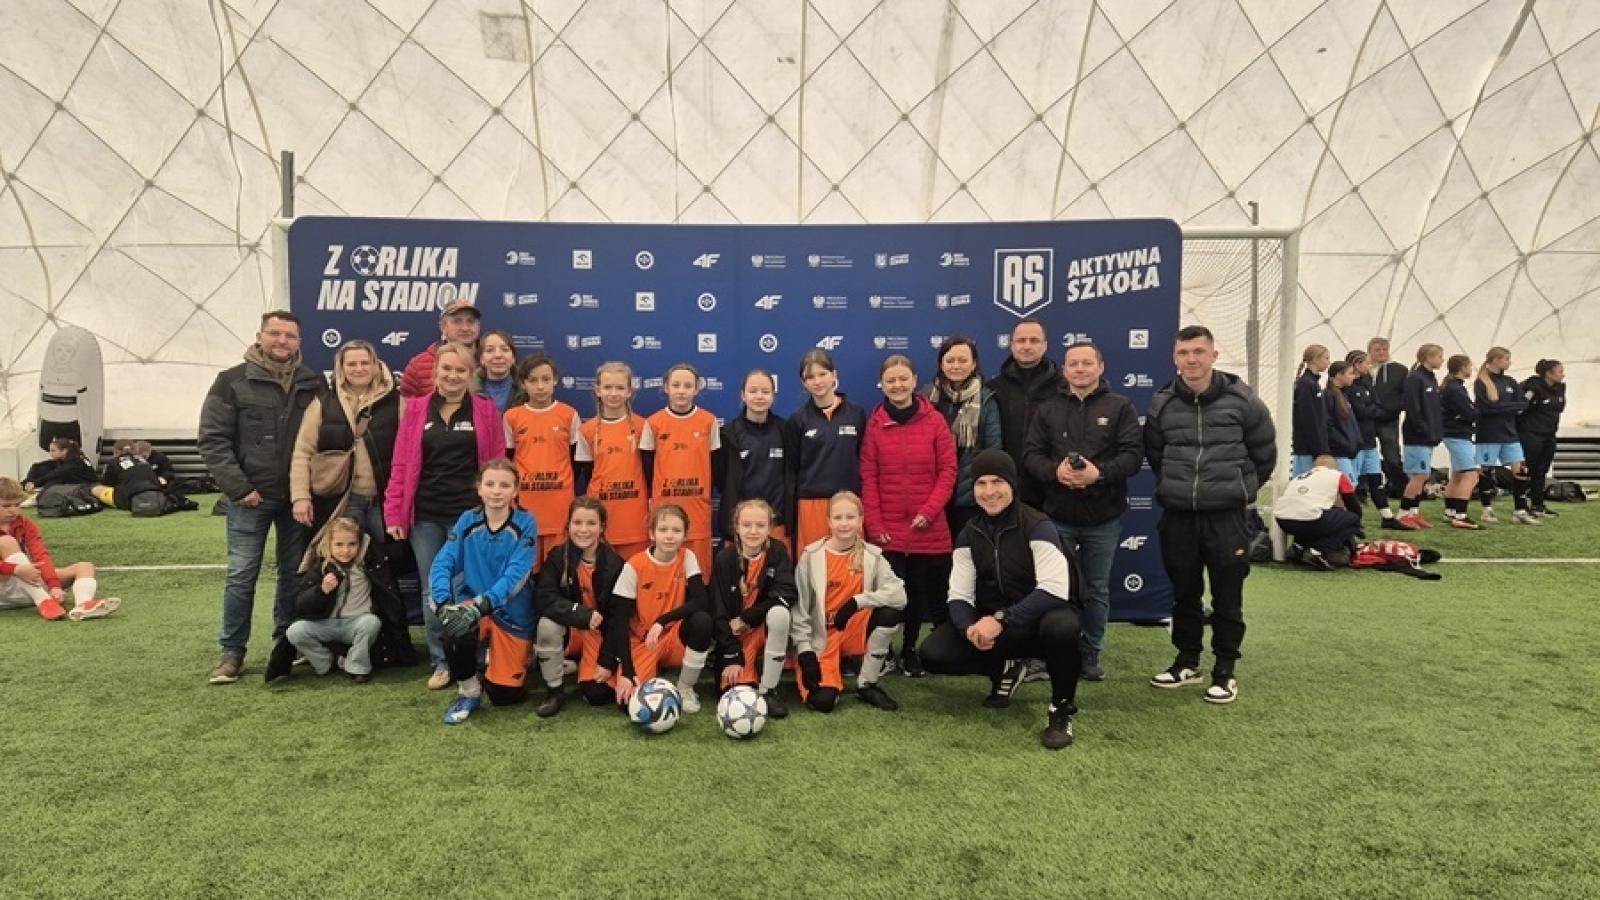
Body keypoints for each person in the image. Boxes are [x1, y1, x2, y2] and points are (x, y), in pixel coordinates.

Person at [1143, 326, 1275, 705]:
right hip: (1179, 516)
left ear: (1214, 356)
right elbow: (1156, 454)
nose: (1192, 359)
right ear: (1175, 357)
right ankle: (1187, 662)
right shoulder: (1162, 403)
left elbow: (1264, 454)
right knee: (1184, 593)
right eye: (1184, 352)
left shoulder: (1244, 401)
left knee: (1227, 594)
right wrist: (1181, 489)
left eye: (1199, 352)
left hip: (1226, 518)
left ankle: (1225, 670)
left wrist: (1236, 489)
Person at [917, 450, 1082, 750]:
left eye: (997, 482)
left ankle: (1061, 710)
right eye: (981, 483)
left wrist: (1001, 620)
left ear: (1012, 485)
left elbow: (1054, 590)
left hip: (1037, 622)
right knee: (933, 653)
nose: (989, 491)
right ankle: (1004, 669)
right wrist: (969, 628)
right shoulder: (969, 533)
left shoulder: (1038, 525)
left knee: (1063, 627)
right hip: (1000, 627)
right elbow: (959, 596)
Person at [198, 310, 322, 684]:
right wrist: (239, 488)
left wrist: (308, 490)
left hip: (297, 498)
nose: (282, 341)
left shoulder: (313, 381)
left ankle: (286, 645)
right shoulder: (231, 381)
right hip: (249, 498)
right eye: (275, 334)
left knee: (293, 575)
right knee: (241, 575)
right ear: (259, 336)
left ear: (299, 342)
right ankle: (231, 653)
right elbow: (213, 440)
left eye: (289, 335)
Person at [384, 341, 508, 691]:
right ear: (436, 372)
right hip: (425, 515)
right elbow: (400, 463)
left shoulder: (485, 410)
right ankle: (441, 661)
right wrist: (394, 512)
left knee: (469, 586)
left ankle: (472, 658)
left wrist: (496, 508)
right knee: (433, 587)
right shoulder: (416, 409)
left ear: (471, 374)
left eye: (460, 370)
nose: (453, 376)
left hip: (469, 515)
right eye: (447, 369)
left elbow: (497, 462)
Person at [1021, 341, 1141, 683]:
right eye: (1073, 363)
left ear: (1100, 367)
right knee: (1049, 585)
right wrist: (1055, 472)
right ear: (1064, 370)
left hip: (1104, 517)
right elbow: (1031, 455)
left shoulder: (1120, 407)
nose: (1080, 369)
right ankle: (1047, 655)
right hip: (1056, 516)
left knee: (1097, 588)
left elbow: (1133, 456)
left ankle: (1090, 653)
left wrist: (1098, 474)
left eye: (1087, 363)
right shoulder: (1047, 408)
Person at [860, 354, 956, 677]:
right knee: (887, 595)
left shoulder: (935, 421)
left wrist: (929, 511)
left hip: (924, 526)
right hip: (886, 528)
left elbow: (948, 471)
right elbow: (868, 476)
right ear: (882, 384)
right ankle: (884, 651)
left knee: (917, 594)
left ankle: (910, 650)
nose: (897, 385)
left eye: (903, 379)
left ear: (914, 380)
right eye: (891, 380)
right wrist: (874, 523)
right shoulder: (874, 425)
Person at [430, 460, 540, 724]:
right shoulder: (467, 520)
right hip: (473, 603)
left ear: (515, 490)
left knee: (504, 695)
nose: (496, 491)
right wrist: (443, 602)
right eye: (490, 484)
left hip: (512, 612)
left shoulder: (526, 523)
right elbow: (443, 561)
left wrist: (482, 604)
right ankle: (469, 691)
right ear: (479, 488)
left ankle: (519, 658)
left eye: (505, 485)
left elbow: (516, 576)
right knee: (453, 628)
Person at [791, 491, 905, 712]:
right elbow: (799, 609)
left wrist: (857, 602)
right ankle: (830, 674)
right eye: (838, 517)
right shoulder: (811, 556)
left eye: (850, 517)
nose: (844, 523)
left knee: (890, 614)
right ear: (829, 521)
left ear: (861, 520)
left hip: (855, 629)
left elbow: (899, 595)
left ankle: (867, 684)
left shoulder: (872, 555)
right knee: (823, 702)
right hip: (822, 637)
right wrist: (804, 651)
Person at [609, 504, 715, 713]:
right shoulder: (634, 565)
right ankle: (652, 669)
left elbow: (701, 601)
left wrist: (663, 620)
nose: (669, 536)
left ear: (685, 535)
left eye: (676, 530)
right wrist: (628, 671)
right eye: (663, 529)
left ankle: (685, 687)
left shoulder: (687, 557)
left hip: (674, 636)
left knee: (702, 621)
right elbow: (619, 621)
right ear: (652, 533)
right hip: (645, 641)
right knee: (628, 704)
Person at [290, 339, 400, 540]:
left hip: (385, 501)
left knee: (387, 557)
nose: (359, 369)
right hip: (342, 501)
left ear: (375, 365)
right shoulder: (322, 405)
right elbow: (303, 452)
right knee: (343, 556)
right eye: (351, 364)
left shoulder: (398, 403)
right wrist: (300, 496)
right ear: (341, 368)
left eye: (365, 363)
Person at [532, 496, 623, 717]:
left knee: (597, 694)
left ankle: (577, 664)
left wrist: (608, 661)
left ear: (602, 527)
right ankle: (554, 690)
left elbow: (618, 619)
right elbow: (543, 597)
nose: (583, 530)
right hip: (569, 629)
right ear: (568, 524)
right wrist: (578, 613)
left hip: (597, 633)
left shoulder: (615, 564)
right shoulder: (558, 556)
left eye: (591, 523)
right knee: (547, 625)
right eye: (577, 523)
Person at [710, 499, 798, 718]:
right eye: (746, 525)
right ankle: (752, 666)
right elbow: (719, 611)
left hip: (762, 628)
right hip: (736, 636)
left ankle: (769, 689)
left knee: (780, 613)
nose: (753, 531)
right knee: (738, 693)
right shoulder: (725, 559)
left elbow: (787, 593)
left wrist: (747, 618)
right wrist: (731, 655)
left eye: (760, 525)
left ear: (769, 528)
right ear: (736, 527)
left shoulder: (778, 551)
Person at [277, 517, 386, 683]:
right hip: (326, 624)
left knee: (372, 622)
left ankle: (356, 666)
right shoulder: (320, 567)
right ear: (329, 545)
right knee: (295, 630)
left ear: (360, 544)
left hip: (356, 623)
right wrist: (321, 591)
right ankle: (325, 662)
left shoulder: (368, 565)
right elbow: (301, 605)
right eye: (339, 545)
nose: (345, 551)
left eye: (352, 544)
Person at [639, 363, 724, 575]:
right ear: (666, 387)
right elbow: (647, 468)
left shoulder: (709, 421)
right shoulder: (653, 423)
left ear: (697, 389)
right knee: (665, 571)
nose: (681, 391)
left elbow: (716, 465)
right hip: (665, 509)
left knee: (699, 574)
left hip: (697, 509)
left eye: (688, 386)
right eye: (676, 385)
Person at [0, 477, 119, 621]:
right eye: (6, 506)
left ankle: (83, 606)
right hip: (5, 587)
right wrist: (15, 569)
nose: (13, 510)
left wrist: (54, 585)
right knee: (7, 542)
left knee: (85, 567)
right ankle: (43, 601)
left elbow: (40, 555)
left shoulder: (25, 524)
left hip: (25, 585)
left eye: (17, 505)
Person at [924, 335, 1003, 541]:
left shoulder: (986, 399)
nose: (956, 366)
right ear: (941, 364)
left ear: (974, 364)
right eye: (950, 360)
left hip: (968, 498)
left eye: (962, 360)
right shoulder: (926, 397)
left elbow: (993, 450)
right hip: (931, 494)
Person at [504, 354, 582, 562]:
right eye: (533, 380)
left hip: (559, 507)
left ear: (555, 380)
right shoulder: (512, 417)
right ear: (523, 383)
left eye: (546, 379)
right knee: (526, 569)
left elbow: (577, 461)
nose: (540, 386)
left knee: (557, 568)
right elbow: (508, 460)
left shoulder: (569, 414)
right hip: (525, 507)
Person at [788, 349, 867, 550]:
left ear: (834, 375)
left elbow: (863, 458)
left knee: (852, 562)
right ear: (804, 383)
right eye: (810, 377)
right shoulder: (798, 419)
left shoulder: (856, 414)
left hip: (849, 502)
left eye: (822, 374)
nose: (817, 381)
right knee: (815, 562)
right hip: (811, 504)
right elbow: (793, 467)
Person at [575, 361, 651, 559]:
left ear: (629, 391)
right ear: (597, 390)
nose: (613, 393)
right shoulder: (586, 430)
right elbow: (586, 473)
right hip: (600, 519)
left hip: (635, 519)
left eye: (620, 388)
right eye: (607, 387)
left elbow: (651, 472)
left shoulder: (644, 427)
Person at [987, 318, 1060, 506]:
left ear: (1045, 345)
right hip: (1007, 488)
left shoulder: (1064, 387)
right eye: (1021, 340)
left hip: (1054, 491)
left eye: (1034, 340)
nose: (1027, 346)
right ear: (1011, 345)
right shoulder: (994, 389)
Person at [720, 369, 795, 546]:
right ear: (743, 395)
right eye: (753, 391)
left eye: (765, 391)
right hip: (741, 526)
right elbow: (720, 479)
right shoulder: (728, 434)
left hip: (776, 525)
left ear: (773, 396)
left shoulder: (786, 431)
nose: (759, 396)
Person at [1342, 351, 1412, 530]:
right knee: (1351, 483)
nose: (1369, 366)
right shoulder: (1349, 388)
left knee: (1376, 478)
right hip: (1356, 442)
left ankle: (1387, 517)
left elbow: (1376, 405)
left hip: (1369, 439)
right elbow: (1360, 411)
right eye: (1366, 363)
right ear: (1356, 365)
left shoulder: (1366, 383)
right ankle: (1351, 519)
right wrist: (1373, 410)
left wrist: (1374, 410)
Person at [1473, 346, 1537, 526]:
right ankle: (1487, 509)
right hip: (1488, 434)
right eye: (1506, 359)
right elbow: (1486, 408)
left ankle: (1520, 510)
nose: (1509, 362)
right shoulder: (1481, 382)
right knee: (1487, 471)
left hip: (1509, 434)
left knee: (1521, 470)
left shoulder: (1510, 381)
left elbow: (1523, 404)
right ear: (1495, 360)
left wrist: (1502, 407)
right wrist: (1510, 407)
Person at [1274, 458, 1362, 570]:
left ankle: (1298, 547)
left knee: (1309, 515)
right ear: (1334, 466)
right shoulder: (1337, 475)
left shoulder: (1299, 477)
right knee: (1352, 519)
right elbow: (1353, 505)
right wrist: (1356, 526)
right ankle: (1317, 550)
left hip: (1282, 520)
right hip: (1310, 519)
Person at [1396, 343, 1445, 530]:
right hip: (1417, 437)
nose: (1442, 360)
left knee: (1423, 475)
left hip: (1428, 436)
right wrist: (1423, 429)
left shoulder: (1430, 378)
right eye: (1439, 356)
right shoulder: (1415, 378)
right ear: (1428, 357)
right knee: (1419, 475)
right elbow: (1412, 408)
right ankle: (1403, 514)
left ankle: (1413, 513)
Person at [400, 298, 482, 398]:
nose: (465, 328)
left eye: (470, 321)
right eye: (457, 321)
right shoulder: (418, 366)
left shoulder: (491, 363)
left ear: (478, 326)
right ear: (443, 327)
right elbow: (405, 406)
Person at [1440, 355, 1483, 529]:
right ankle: (1460, 515)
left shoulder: (1452, 386)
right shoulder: (1455, 389)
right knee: (1471, 474)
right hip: (1457, 434)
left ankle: (1450, 511)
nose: (1470, 370)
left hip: (1454, 433)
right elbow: (1469, 413)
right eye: (1469, 366)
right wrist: (1477, 411)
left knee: (1458, 474)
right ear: (1462, 367)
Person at [1519, 359, 1566, 518]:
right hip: (1531, 434)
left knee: (1541, 471)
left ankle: (1538, 505)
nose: (1563, 375)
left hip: (1549, 435)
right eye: (1560, 371)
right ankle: (1521, 507)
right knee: (1526, 470)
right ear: (1549, 373)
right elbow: (1520, 409)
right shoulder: (1533, 388)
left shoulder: (1559, 388)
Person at [1367, 337, 1409, 493]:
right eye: (1377, 350)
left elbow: (1405, 395)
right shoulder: (1364, 370)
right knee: (1365, 454)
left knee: (1392, 457)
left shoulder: (1399, 370)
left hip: (1389, 420)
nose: (1381, 353)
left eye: (1384, 349)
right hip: (1367, 419)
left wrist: (1394, 409)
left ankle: (1399, 486)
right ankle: (1366, 487)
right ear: (1370, 352)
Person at [1290, 344, 1330, 477]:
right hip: (1306, 447)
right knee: (1304, 480)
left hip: (1313, 445)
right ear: (1314, 359)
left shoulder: (1314, 383)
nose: (1328, 362)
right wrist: (1318, 448)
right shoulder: (1306, 384)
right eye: (1326, 358)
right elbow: (1308, 418)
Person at [1323, 361, 1363, 483]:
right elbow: (1328, 424)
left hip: (1350, 450)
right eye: (1350, 373)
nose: (1353, 377)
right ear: (1339, 375)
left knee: (1352, 484)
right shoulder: (1328, 395)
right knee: (1348, 484)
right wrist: (1343, 442)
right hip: (1340, 452)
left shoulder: (1343, 395)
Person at [23, 438, 97, 496]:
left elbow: (56, 474)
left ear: (64, 451)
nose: (50, 453)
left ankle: (41, 495)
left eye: (53, 451)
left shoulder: (75, 461)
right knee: (43, 469)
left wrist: (35, 483)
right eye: (50, 451)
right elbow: (36, 466)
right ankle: (22, 487)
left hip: (88, 485)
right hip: (73, 482)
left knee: (55, 479)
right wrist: (29, 481)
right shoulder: (62, 459)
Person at [477, 330, 518, 414]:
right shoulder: (468, 391)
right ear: (481, 359)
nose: (498, 355)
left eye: (504, 350)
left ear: (513, 358)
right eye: (490, 350)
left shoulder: (527, 391)